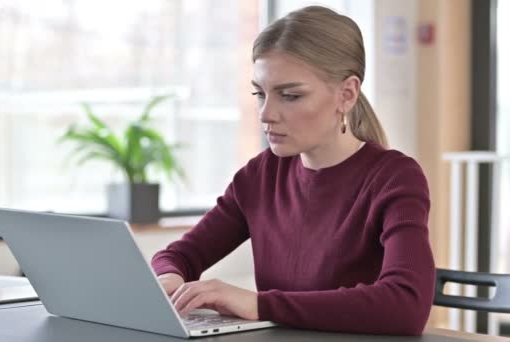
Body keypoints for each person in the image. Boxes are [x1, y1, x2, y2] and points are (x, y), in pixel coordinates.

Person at [151, 5, 435, 336]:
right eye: (260, 93)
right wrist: (168, 280)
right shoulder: (260, 176)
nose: (265, 114)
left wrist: (259, 304)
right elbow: (179, 255)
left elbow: (407, 305)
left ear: (346, 94)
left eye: (290, 95)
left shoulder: (393, 178)